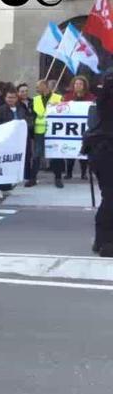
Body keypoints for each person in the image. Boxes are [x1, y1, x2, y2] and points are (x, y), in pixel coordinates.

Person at [83, 71, 113, 256]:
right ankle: (105, 241)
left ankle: (102, 239)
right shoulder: (106, 101)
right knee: (111, 197)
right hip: (106, 152)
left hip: (100, 152)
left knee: (109, 196)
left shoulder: (100, 100)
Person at [31, 79, 64, 187]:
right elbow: (33, 115)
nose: (36, 88)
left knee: (56, 155)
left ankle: (58, 178)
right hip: (39, 131)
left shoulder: (58, 98)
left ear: (45, 86)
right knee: (37, 155)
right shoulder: (35, 99)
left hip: (54, 131)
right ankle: (33, 178)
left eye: (38, 86)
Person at [63, 75, 95, 180]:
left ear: (84, 85)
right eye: (76, 84)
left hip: (85, 128)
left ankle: (83, 173)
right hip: (71, 127)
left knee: (84, 151)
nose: (78, 86)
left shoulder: (91, 97)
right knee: (70, 150)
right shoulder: (67, 97)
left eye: (80, 84)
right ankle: (69, 173)